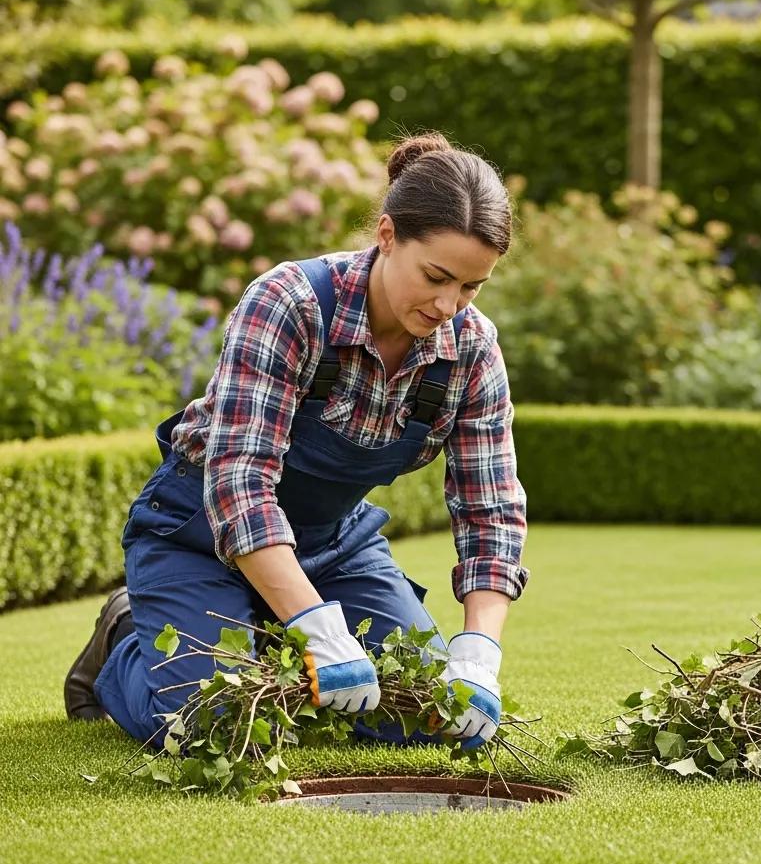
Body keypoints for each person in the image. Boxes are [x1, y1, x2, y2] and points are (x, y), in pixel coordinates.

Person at [64, 131, 529, 750]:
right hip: (198, 533)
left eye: (472, 287)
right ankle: (124, 640)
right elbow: (239, 485)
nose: (450, 304)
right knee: (218, 728)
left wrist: (478, 649)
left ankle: (267, 629)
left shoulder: (470, 348)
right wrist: (314, 625)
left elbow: (489, 507)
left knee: (432, 718)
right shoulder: (291, 304)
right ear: (387, 236)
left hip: (332, 548)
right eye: (436, 276)